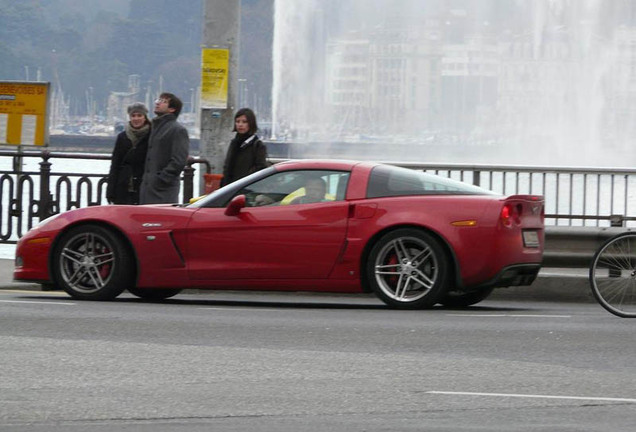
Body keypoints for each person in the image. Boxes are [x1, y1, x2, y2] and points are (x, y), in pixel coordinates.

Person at [139, 92, 190, 204]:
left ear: (172, 109)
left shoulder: (177, 130)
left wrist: (162, 179)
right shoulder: (155, 128)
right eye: (159, 100)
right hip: (148, 189)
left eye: (164, 101)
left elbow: (179, 160)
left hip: (163, 191)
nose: (158, 103)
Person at [106, 102, 150, 205]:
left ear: (145, 117)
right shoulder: (122, 137)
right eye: (133, 116)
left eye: (139, 115)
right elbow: (115, 164)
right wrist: (110, 191)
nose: (136, 118)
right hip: (123, 185)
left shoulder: (152, 135)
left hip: (144, 186)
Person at [220, 108, 268, 187]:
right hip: (230, 189)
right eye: (237, 121)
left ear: (251, 123)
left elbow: (260, 169)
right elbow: (227, 167)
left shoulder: (258, 145)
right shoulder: (234, 143)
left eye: (244, 122)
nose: (240, 125)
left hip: (247, 189)